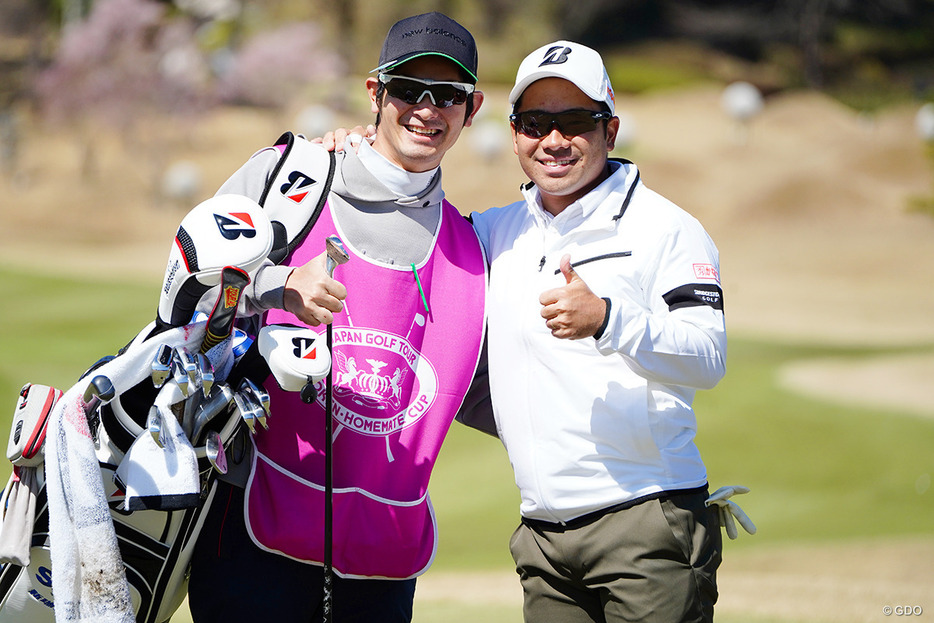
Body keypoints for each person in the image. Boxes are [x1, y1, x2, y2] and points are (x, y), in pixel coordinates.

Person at [187, 12, 488, 623]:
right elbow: (184, 294)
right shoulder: (289, 178)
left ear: (472, 108)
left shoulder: (474, 248)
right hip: (249, 529)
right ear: (376, 92)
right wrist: (274, 287)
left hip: (380, 558)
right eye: (408, 89)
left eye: (449, 95)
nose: (428, 109)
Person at [469, 41, 728, 622]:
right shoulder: (494, 233)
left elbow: (707, 357)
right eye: (535, 123)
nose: (554, 141)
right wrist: (354, 147)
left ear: (610, 130)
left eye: (575, 122)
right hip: (541, 534)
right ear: (513, 134)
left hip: (644, 525)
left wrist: (609, 318)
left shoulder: (666, 228)